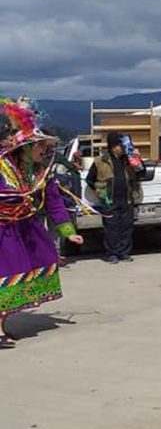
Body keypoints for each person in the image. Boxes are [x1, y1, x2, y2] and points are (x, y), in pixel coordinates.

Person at [0, 99, 84, 348]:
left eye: (44, 145)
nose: (43, 150)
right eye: (38, 146)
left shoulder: (41, 173)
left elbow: (55, 203)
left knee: (30, 268)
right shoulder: (2, 167)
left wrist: (69, 233)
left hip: (25, 228)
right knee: (5, 276)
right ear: (24, 148)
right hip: (4, 229)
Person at [86, 131, 142, 263]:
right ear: (113, 147)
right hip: (109, 200)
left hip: (127, 199)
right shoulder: (100, 161)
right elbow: (90, 179)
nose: (123, 149)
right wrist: (100, 192)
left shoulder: (129, 159)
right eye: (121, 146)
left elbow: (141, 173)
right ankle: (112, 253)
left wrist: (137, 160)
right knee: (111, 228)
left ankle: (124, 253)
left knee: (126, 227)